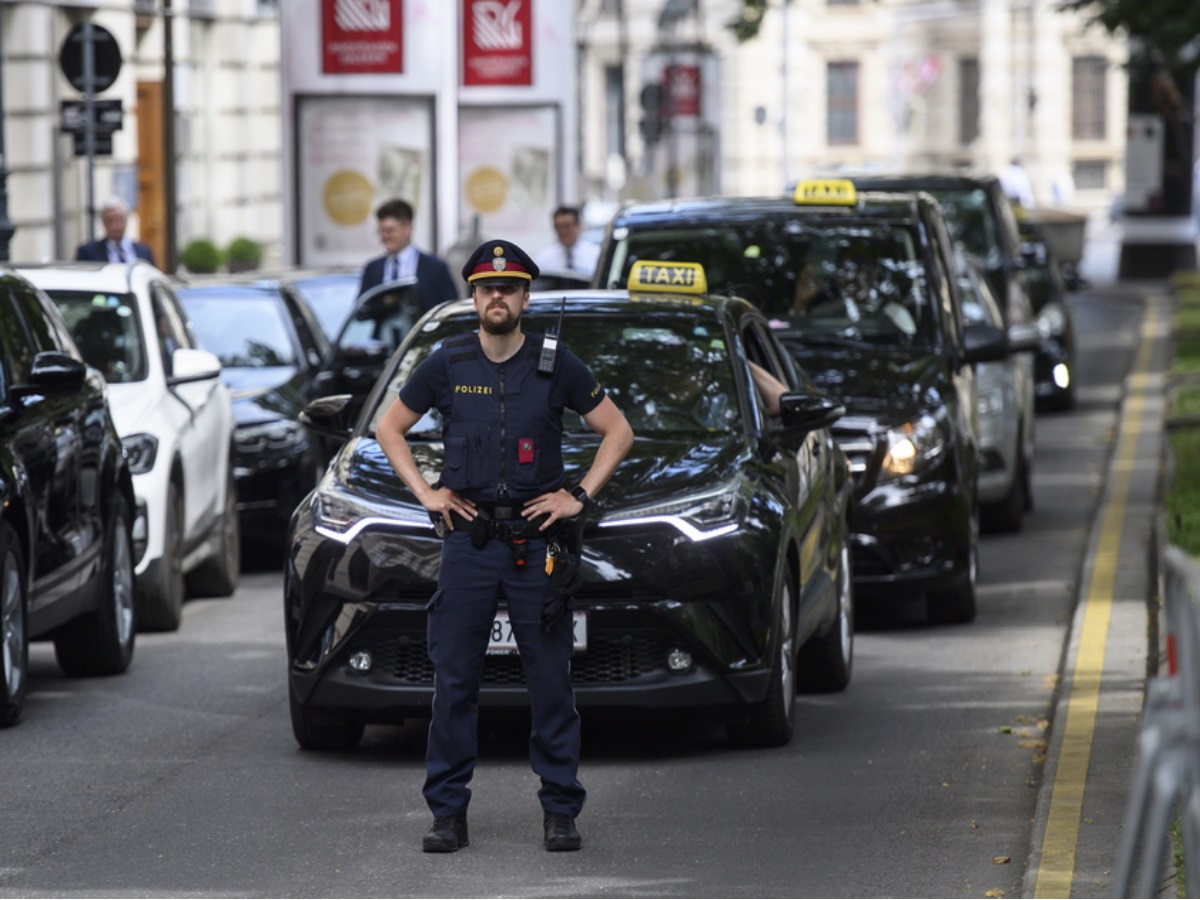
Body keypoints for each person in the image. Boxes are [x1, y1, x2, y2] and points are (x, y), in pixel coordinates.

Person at [375, 238, 634, 855]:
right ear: (473, 297)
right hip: (468, 543)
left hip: (534, 544)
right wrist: (427, 494)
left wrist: (578, 495)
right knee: (456, 680)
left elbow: (618, 431)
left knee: (549, 679)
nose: (498, 296)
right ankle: (447, 814)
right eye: (488, 288)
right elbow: (389, 428)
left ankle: (560, 810)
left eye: (510, 288)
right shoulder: (447, 362)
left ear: (525, 298)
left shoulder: (555, 363)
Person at [357, 198, 460, 312]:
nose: (384, 237)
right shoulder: (372, 269)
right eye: (381, 231)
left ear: (407, 228)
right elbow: (361, 311)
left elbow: (450, 309)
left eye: (390, 230)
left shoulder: (435, 268)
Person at [75, 196, 156, 265]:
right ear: (103, 222)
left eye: (119, 220)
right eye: (111, 221)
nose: (116, 226)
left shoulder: (144, 251)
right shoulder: (88, 252)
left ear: (126, 221)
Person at [534, 205, 600, 277]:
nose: (563, 231)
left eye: (567, 226)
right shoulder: (543, 259)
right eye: (559, 227)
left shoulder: (596, 255)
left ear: (578, 226)